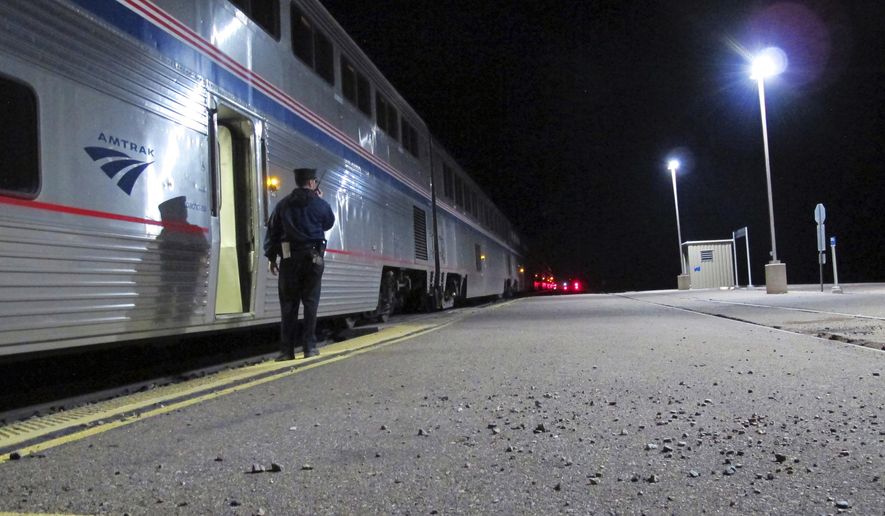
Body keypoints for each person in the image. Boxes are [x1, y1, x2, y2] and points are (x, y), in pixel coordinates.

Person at [264, 168, 335, 360]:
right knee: (310, 302)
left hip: (289, 259)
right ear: (312, 183)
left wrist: (271, 258)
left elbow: (272, 232)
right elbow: (328, 223)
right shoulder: (320, 205)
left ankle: (286, 352)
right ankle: (309, 348)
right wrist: (318, 199)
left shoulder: (283, 205)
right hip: (313, 259)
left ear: (297, 182)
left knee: (288, 304)